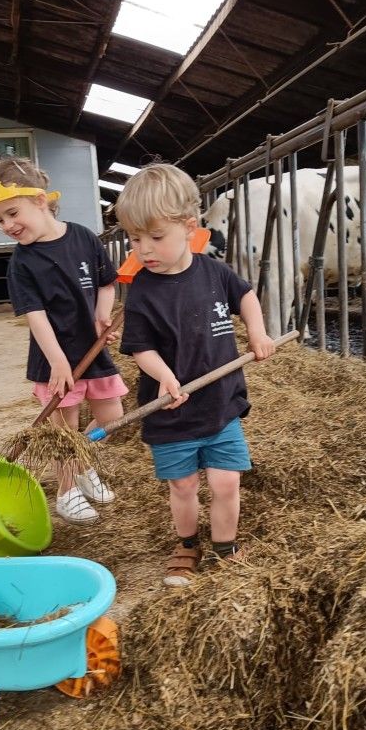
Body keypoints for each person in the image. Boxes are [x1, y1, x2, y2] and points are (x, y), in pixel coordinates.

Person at [115, 162, 275, 587]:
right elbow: (140, 347)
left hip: (220, 407)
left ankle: (227, 547)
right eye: (134, 238)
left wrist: (257, 334)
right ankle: (187, 543)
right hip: (171, 414)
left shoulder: (214, 272)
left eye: (155, 237)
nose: (143, 249)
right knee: (183, 486)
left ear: (188, 227)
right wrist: (165, 376)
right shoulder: (144, 290)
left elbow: (247, 297)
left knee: (225, 483)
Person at [0, 156, 127, 524]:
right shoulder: (23, 262)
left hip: (92, 353)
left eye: (13, 213)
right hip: (55, 359)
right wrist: (58, 362)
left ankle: (83, 464)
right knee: (64, 431)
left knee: (113, 416)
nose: (7, 225)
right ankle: (66, 492)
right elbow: (36, 317)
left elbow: (107, 283)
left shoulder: (82, 236)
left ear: (41, 200)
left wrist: (101, 316)